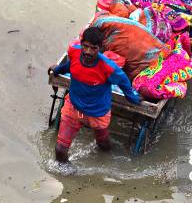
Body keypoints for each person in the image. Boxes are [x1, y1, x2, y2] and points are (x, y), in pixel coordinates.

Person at [48, 27, 142, 162]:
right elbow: (70, 65)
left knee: (103, 144)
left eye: (93, 48)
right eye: (85, 46)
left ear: (100, 48)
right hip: (73, 108)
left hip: (97, 113)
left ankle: (109, 159)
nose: (88, 52)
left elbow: (124, 82)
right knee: (60, 150)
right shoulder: (74, 52)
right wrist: (57, 70)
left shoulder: (108, 68)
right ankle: (69, 178)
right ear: (81, 43)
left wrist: (134, 98)